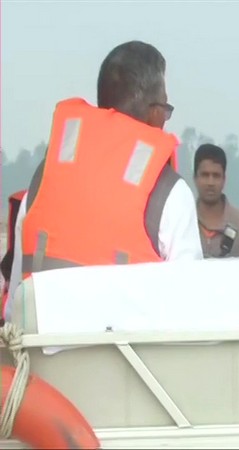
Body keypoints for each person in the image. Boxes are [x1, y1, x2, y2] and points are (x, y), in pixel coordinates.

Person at [4, 41, 203, 320]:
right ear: (155, 112)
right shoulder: (170, 194)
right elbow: (191, 312)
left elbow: (14, 309)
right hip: (131, 362)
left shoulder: (41, 183)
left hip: (40, 362)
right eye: (166, 108)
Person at [194, 143, 239, 258]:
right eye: (205, 175)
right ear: (195, 178)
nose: (210, 182)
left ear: (224, 179)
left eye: (216, 176)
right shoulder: (182, 223)